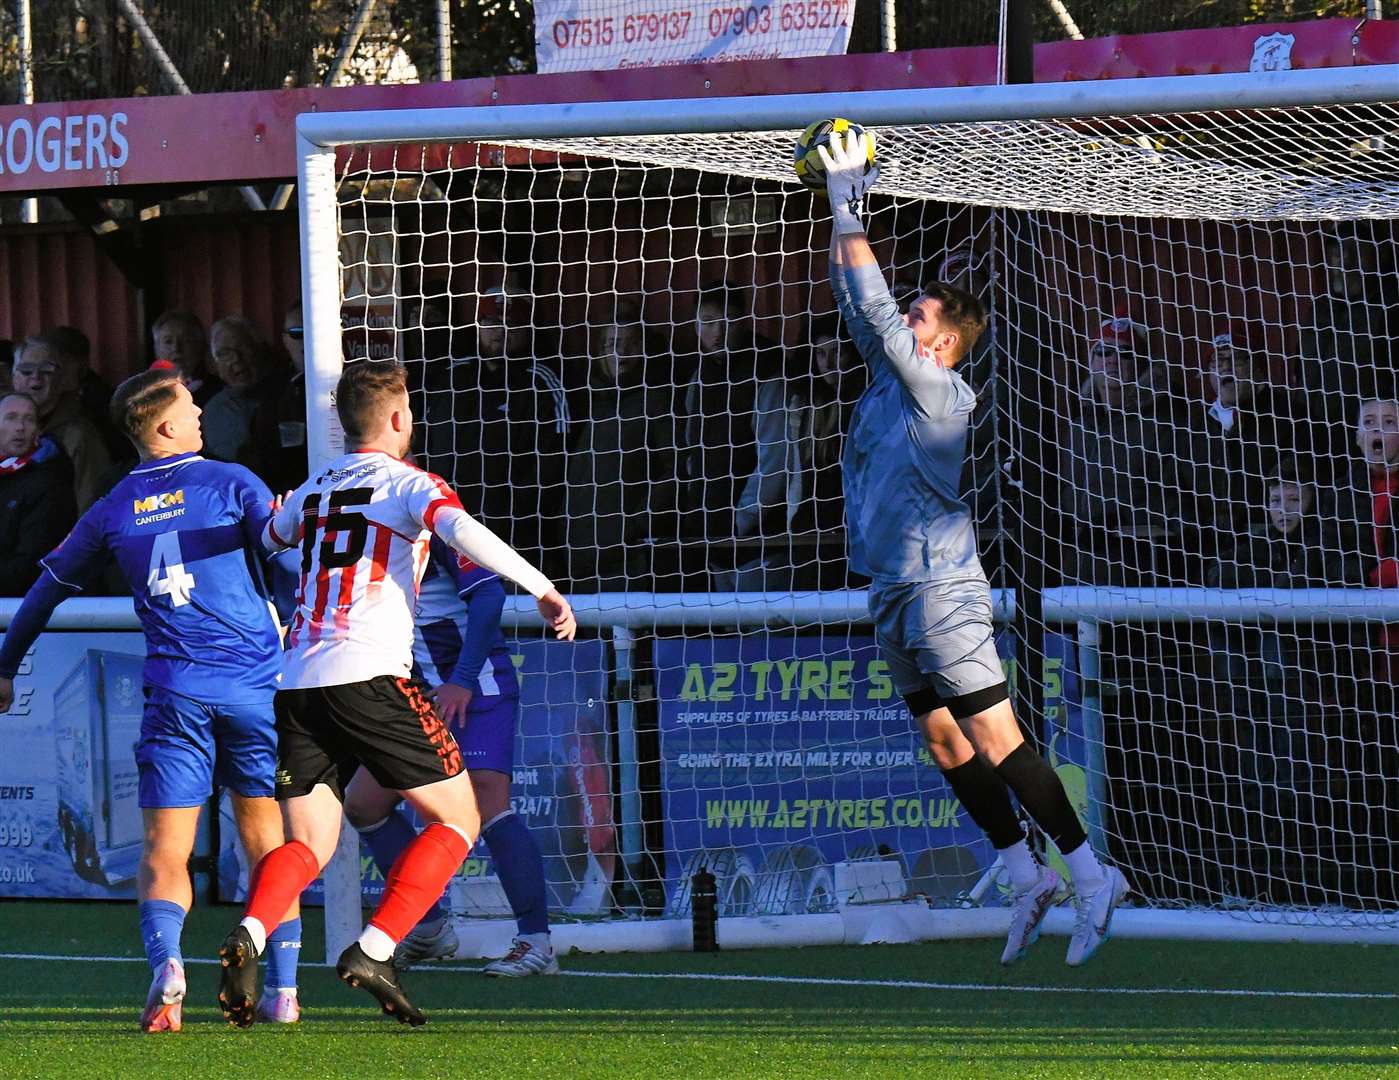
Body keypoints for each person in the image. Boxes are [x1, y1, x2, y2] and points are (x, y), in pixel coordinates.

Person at [820, 128, 1125, 967]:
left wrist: (849, 197)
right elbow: (860, 303)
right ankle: (1022, 873)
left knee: (995, 736)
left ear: (944, 341)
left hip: (940, 587)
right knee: (944, 742)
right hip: (889, 586)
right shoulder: (892, 377)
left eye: (918, 314)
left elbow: (874, 309)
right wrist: (835, 210)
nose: (902, 317)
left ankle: (1091, 876)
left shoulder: (937, 389)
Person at [216, 360, 576, 1027]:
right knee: (459, 818)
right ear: (399, 419)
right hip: (371, 675)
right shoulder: (411, 483)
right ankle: (378, 948)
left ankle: (252, 934)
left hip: (297, 682)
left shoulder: (312, 488)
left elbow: (267, 541)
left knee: (309, 845)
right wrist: (543, 586)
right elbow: (462, 531)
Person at [0, 369, 300, 1032]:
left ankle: (168, 966)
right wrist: (286, 598)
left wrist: (5, 666)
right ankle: (282, 992)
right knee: (265, 839)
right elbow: (284, 572)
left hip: (174, 696)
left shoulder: (111, 506)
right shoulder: (231, 482)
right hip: (251, 691)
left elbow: (46, 590)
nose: (199, 415)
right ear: (165, 426)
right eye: (191, 407)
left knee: (165, 848)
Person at [344, 535, 557, 976]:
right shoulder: (357, 528)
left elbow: (489, 593)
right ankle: (428, 926)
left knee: (487, 801)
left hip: (473, 686)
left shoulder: (435, 522)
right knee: (365, 804)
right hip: (414, 694)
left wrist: (461, 678)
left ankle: (537, 943)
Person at [564, 301, 679, 592]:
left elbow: (674, 469)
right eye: (613, 343)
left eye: (630, 343)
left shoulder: (656, 401)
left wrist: (636, 526)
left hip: (630, 559)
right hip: (580, 555)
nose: (621, 352)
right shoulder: (586, 402)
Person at [1060, 315, 1182, 586]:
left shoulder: (1162, 424)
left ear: (1140, 365)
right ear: (1091, 362)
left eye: (1125, 354)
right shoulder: (1079, 427)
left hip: (1140, 570)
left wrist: (1123, 523)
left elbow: (1176, 502)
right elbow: (1066, 492)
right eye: (1104, 351)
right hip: (1077, 569)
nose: (1113, 360)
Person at [11, 334, 112, 509]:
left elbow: (93, 504)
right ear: (14, 379)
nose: (36, 378)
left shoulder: (80, 436)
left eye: (47, 371)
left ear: (62, 379)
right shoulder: (3, 430)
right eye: (26, 370)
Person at [0, 392, 77, 596]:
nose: (20, 427)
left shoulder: (50, 481)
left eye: (29, 419)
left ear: (38, 430)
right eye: (11, 418)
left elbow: (33, 561)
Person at [201, 315, 285, 466]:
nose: (236, 359)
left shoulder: (288, 393)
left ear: (260, 350)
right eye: (225, 353)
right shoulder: (218, 409)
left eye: (244, 347)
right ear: (215, 366)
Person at [251, 302, 310, 493]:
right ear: (285, 340)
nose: (306, 339)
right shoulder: (270, 389)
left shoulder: (348, 382)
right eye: (297, 333)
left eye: (314, 330)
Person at [152, 310, 221, 406]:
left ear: (200, 346)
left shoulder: (220, 392)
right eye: (168, 341)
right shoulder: (144, 392)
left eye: (186, 340)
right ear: (156, 349)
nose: (176, 348)